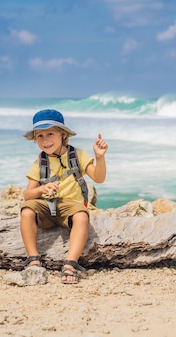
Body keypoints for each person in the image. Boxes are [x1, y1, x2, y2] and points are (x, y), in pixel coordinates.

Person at [20, 109, 107, 284]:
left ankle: (70, 263)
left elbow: (99, 178)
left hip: (71, 205)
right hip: (46, 206)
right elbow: (28, 195)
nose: (45, 140)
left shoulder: (78, 156)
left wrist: (100, 158)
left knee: (82, 215)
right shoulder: (39, 163)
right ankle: (33, 259)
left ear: (63, 134)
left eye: (50, 133)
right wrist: (41, 189)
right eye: (40, 136)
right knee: (27, 211)